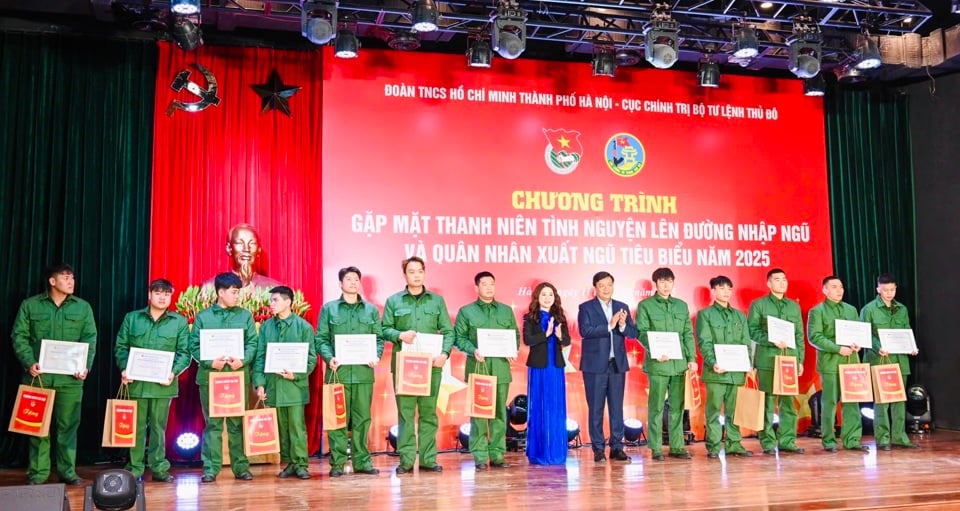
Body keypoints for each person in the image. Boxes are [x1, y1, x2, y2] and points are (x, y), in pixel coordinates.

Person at [11, 263, 97, 486]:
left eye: (73, 277)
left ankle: (67, 471)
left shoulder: (83, 307)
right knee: (37, 426)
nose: (71, 281)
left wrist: (85, 365)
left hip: (70, 380)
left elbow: (90, 338)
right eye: (66, 277)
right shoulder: (30, 305)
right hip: (38, 377)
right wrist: (29, 362)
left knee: (68, 427)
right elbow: (18, 336)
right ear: (52, 281)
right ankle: (38, 473)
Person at [381, 257, 454, 475]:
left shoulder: (437, 301)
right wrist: (399, 334)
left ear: (424, 273)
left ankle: (428, 459)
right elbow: (384, 329)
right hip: (405, 367)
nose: (416, 275)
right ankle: (406, 460)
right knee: (405, 414)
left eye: (420, 271)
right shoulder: (394, 301)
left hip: (432, 365)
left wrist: (445, 354)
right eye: (411, 271)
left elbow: (448, 332)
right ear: (405, 275)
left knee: (429, 414)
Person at [114, 278, 191, 482]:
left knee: (159, 428)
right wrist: (124, 368)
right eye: (158, 293)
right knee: (136, 427)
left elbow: (184, 353)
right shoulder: (132, 318)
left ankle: (159, 468)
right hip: (136, 384)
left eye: (167, 294)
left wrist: (173, 372)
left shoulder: (179, 322)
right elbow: (121, 347)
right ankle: (135, 468)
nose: (162, 297)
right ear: (149, 295)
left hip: (163, 385)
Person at [189, 272, 259, 482]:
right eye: (234, 292)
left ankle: (241, 467)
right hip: (211, 377)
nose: (238, 296)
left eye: (239, 292)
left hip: (237, 376)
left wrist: (243, 360)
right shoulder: (203, 317)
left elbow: (252, 343)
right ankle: (211, 468)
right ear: (220, 292)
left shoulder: (245, 316)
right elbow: (193, 345)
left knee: (237, 424)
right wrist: (211, 362)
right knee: (213, 424)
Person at [316, 266, 385, 477]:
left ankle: (362, 462)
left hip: (364, 373)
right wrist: (329, 358)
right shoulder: (329, 309)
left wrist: (376, 356)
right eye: (348, 279)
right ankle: (337, 463)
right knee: (337, 419)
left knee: (362, 418)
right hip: (338, 373)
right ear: (340, 284)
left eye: (356, 279)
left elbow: (378, 339)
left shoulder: (371, 310)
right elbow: (321, 339)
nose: (353, 282)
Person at [453, 271, 520, 471]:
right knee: (479, 415)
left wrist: (512, 349)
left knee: (500, 414)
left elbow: (514, 334)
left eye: (492, 283)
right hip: (479, 368)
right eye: (484, 284)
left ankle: (497, 454)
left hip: (500, 368)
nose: (489, 287)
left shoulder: (506, 311)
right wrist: (473, 350)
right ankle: (480, 455)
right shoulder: (466, 311)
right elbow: (459, 338)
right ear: (477, 287)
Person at [253, 285, 318, 480]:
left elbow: (311, 358)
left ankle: (301, 464)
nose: (271, 304)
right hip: (274, 385)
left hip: (294, 386)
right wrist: (260, 383)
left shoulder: (303, 327)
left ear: (288, 301)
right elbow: (260, 357)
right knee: (281, 427)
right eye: (271, 300)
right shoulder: (266, 327)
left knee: (297, 426)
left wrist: (296, 374)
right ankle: (290, 463)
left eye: (275, 300)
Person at [636, 267, 697, 461]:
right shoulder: (645, 306)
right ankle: (655, 448)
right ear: (655, 284)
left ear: (673, 283)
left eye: (669, 282)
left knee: (677, 407)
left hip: (679, 364)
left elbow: (688, 333)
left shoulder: (681, 305)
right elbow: (642, 333)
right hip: (658, 364)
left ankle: (677, 446)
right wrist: (655, 351)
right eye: (662, 282)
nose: (666, 285)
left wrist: (692, 358)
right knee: (656, 407)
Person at [577, 271, 637, 464]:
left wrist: (621, 326)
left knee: (617, 408)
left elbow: (632, 333)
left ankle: (617, 447)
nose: (606, 288)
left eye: (609, 284)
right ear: (595, 287)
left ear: (613, 285)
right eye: (602, 285)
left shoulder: (622, 307)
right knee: (596, 408)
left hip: (616, 365)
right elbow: (585, 331)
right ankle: (598, 449)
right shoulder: (586, 307)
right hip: (594, 366)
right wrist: (609, 325)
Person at [747, 268, 806, 455]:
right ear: (769, 283)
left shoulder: (793, 306)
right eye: (777, 279)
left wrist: (800, 360)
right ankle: (768, 442)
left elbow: (798, 335)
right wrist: (769, 339)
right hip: (768, 360)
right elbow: (752, 331)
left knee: (788, 402)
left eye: (784, 279)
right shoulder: (759, 305)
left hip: (789, 360)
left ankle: (787, 441)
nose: (782, 283)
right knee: (768, 402)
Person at [807, 275, 868, 453]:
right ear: (825, 290)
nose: (839, 290)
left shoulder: (851, 310)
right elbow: (814, 337)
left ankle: (852, 440)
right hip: (831, 363)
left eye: (840, 287)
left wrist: (858, 344)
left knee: (852, 402)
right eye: (834, 287)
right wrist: (837, 348)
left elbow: (859, 333)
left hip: (851, 362)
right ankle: (829, 440)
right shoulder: (818, 311)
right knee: (830, 402)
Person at [859, 273, 919, 451]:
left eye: (892, 289)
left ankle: (900, 437)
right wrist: (878, 347)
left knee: (899, 400)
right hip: (880, 360)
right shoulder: (869, 309)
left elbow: (906, 330)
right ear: (878, 289)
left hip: (900, 360)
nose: (889, 293)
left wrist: (911, 347)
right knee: (882, 401)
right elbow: (865, 335)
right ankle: (883, 438)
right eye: (885, 290)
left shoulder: (902, 308)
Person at [695, 276, 753, 458]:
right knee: (713, 411)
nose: (726, 292)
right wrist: (714, 362)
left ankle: (734, 444)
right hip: (716, 372)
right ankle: (713, 446)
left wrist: (748, 364)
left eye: (729, 288)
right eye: (721, 288)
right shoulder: (705, 315)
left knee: (734, 411)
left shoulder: (739, 316)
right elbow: (704, 342)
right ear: (713, 291)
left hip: (736, 373)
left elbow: (746, 342)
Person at [523, 281, 571, 465]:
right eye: (543, 294)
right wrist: (546, 333)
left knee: (556, 407)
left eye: (550, 294)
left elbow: (566, 340)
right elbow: (528, 340)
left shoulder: (560, 317)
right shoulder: (530, 318)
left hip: (556, 367)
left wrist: (559, 335)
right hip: (539, 367)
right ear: (537, 297)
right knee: (539, 406)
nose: (547, 298)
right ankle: (539, 452)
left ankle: (557, 452)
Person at [202, 223, 282, 291]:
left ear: (259, 249)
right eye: (240, 243)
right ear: (229, 249)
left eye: (252, 243)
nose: (246, 249)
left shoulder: (274, 289)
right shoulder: (210, 288)